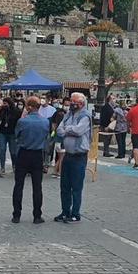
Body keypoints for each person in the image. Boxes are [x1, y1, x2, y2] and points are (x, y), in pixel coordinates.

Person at [12, 96, 50, 224]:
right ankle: (37, 215)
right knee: (37, 187)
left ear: (28, 106)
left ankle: (16, 215)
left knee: (18, 185)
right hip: (37, 154)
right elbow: (46, 137)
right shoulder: (45, 121)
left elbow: (17, 135)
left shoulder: (23, 121)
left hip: (24, 153)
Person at [55, 92, 91, 224]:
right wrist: (69, 129)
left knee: (76, 186)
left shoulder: (85, 116)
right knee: (64, 185)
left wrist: (67, 129)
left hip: (79, 155)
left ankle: (75, 213)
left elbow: (79, 131)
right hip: (67, 154)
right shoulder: (68, 114)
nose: (71, 103)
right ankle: (65, 211)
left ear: (81, 103)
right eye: (71, 101)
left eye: (74, 101)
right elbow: (59, 130)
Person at [0, 97, 22, 175]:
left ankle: (14, 165)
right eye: (3, 103)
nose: (4, 105)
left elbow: (19, 122)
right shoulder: (2, 110)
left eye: (5, 103)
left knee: (13, 151)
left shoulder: (17, 111)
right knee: (2, 150)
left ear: (9, 103)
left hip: (12, 133)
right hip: (2, 132)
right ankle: (2, 167)